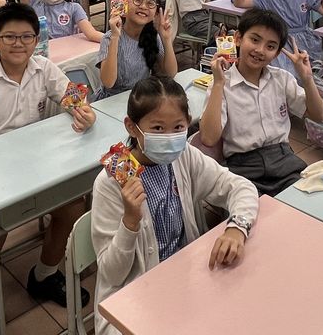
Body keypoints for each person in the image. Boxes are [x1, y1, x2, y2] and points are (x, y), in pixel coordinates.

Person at [0, 3, 96, 308]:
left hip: (36, 162)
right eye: (10, 37)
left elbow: (72, 95)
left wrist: (83, 111)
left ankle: (44, 275)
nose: (19, 44)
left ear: (36, 39)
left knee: (72, 207)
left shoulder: (43, 67)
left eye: (27, 37)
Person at [91, 76, 258, 335]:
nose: (169, 138)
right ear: (132, 127)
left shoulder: (183, 156)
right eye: (158, 128)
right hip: (132, 295)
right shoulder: (111, 183)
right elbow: (112, 275)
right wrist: (130, 222)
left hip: (184, 276)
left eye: (178, 127)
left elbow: (240, 187)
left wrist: (237, 228)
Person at [199, 8, 323, 195]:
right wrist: (218, 83)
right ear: (238, 38)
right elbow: (209, 138)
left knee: (305, 202)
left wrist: (307, 79)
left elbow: (318, 115)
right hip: (243, 168)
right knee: (250, 209)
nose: (260, 50)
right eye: (255, 40)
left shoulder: (281, 78)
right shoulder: (222, 84)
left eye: (270, 46)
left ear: (277, 53)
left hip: (284, 161)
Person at [96, 0, 177, 100]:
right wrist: (115, 37)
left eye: (150, 3)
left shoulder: (153, 36)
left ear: (155, 14)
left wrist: (166, 39)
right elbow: (108, 82)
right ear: (123, 4)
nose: (143, 6)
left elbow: (170, 74)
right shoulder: (109, 37)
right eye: (137, 0)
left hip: (139, 98)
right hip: (111, 99)